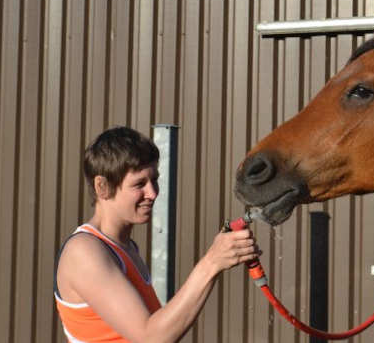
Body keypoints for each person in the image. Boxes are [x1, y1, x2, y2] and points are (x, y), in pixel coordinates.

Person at [54, 126, 260, 343]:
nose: (152, 193)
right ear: (102, 186)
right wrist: (211, 263)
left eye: (154, 180)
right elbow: (151, 337)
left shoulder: (125, 248)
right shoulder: (84, 252)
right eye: (139, 184)